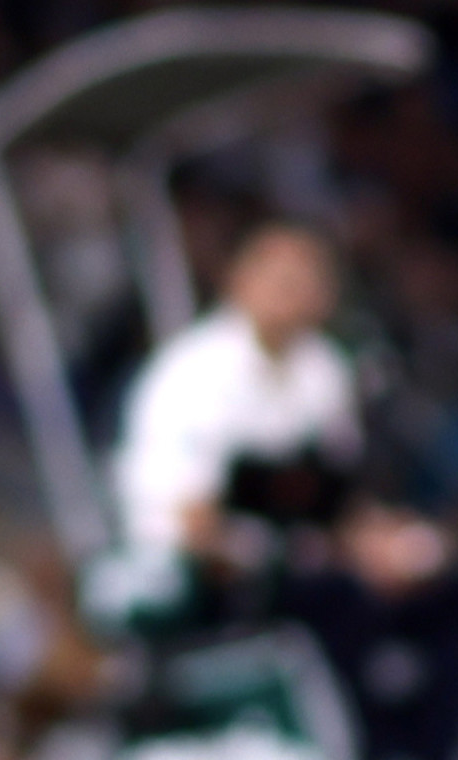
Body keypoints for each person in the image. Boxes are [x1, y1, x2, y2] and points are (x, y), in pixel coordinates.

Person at [105, 221, 358, 601]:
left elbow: (337, 484)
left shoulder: (324, 368)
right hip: (189, 570)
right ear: (240, 280)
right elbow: (190, 517)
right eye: (281, 280)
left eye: (307, 281)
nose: (293, 293)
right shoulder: (192, 370)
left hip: (294, 556)